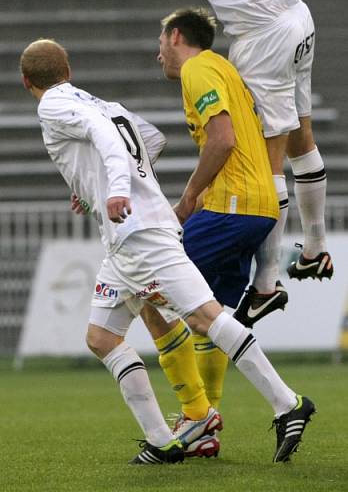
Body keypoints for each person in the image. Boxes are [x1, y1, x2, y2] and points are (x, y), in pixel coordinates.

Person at [39, 0, 334, 313]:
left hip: (263, 38)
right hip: (296, 15)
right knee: (302, 135)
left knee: (267, 157)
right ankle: (317, 249)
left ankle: (267, 285)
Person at [20, 37, 316, 465]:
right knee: (102, 338)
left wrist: (118, 190)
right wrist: (98, 186)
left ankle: (288, 403)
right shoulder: (101, 102)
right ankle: (164, 439)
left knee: (204, 316)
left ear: (26, 80)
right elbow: (150, 140)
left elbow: (106, 139)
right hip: (125, 243)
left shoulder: (52, 106)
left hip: (140, 236)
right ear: (68, 70)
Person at [141, 4, 286, 459]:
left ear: (178, 36)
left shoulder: (198, 70)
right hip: (259, 208)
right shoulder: (224, 67)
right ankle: (209, 422)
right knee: (211, 314)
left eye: (161, 42)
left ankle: (196, 412)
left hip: (234, 207)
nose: (157, 53)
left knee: (151, 293)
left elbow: (222, 140)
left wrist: (187, 199)